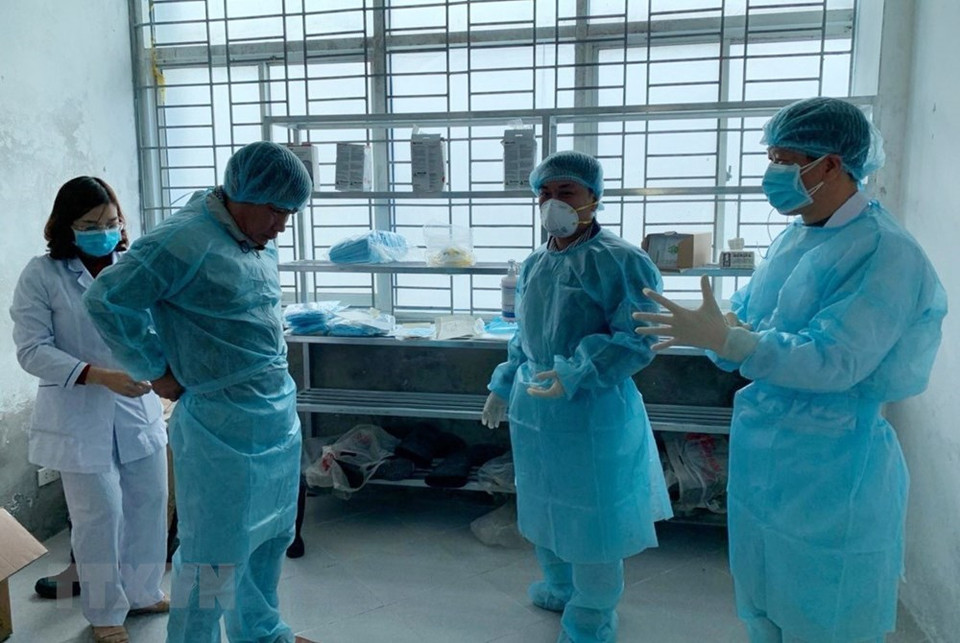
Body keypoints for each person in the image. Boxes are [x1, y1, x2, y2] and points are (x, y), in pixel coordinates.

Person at [633, 97, 947, 642]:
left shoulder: (885, 252)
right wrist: (717, 327)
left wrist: (733, 339)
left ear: (831, 163)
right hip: (769, 450)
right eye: (771, 159)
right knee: (766, 597)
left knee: (825, 612)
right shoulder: (798, 237)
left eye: (785, 159)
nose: (772, 174)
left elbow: (837, 360)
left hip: (834, 461)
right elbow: (752, 322)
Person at [83, 141, 312, 643]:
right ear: (243, 194)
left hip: (275, 415)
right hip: (221, 426)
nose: (282, 227)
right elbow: (107, 299)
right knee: (215, 554)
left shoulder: (255, 238)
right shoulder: (183, 241)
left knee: (270, 538)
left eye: (290, 214)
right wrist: (155, 370)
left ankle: (262, 632)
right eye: (277, 211)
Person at [481, 150, 672, 642]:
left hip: (592, 407)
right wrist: (504, 383)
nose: (552, 202)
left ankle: (592, 612)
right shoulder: (534, 263)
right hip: (535, 405)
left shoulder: (623, 260)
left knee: (593, 514)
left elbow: (637, 337)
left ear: (594, 197)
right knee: (544, 501)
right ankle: (560, 584)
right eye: (544, 193)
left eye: (566, 192)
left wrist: (578, 372)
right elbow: (524, 338)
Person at [10, 176, 170, 643]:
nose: (105, 230)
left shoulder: (134, 266)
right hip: (80, 412)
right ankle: (104, 613)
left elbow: (159, 323)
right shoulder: (42, 274)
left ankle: (142, 592)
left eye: (112, 221)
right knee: (99, 515)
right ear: (67, 226)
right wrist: (98, 375)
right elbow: (31, 349)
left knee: (149, 503)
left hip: (137, 407)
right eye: (90, 223)